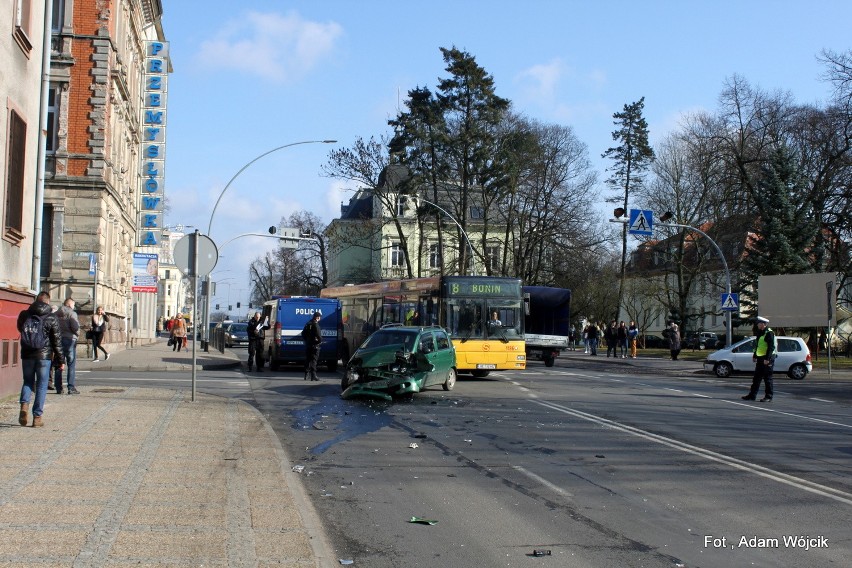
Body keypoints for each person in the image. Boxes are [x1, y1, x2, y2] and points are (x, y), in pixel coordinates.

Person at [18, 291, 65, 427]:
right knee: (42, 385)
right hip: (44, 356)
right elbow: (57, 341)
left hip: (27, 354)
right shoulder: (51, 317)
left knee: (27, 381)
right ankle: (37, 417)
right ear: (47, 302)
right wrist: (61, 360)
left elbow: (20, 329)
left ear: (36, 300)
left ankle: (24, 407)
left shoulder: (24, 314)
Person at [743, 316, 776, 402]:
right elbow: (758, 345)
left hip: (767, 358)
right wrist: (755, 355)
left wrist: (767, 358)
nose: (757, 325)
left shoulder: (769, 333)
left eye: (759, 323)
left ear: (763, 324)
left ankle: (769, 396)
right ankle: (752, 395)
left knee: (767, 378)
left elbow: (771, 347)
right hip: (760, 358)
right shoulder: (760, 332)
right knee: (756, 378)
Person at [54, 298, 80, 394]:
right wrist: (77, 334)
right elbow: (75, 327)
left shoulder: (56, 314)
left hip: (58, 340)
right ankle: (71, 387)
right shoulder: (72, 314)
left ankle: (58, 388)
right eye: (73, 304)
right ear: (69, 304)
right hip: (70, 340)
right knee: (71, 364)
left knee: (58, 364)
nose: (74, 306)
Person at [303, 311, 323, 381]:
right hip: (315, 345)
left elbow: (303, 334)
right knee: (314, 360)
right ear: (317, 317)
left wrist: (307, 340)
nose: (320, 318)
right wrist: (319, 341)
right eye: (319, 317)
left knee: (308, 359)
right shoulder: (316, 324)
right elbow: (319, 335)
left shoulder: (308, 324)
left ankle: (306, 374)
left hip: (308, 344)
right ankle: (313, 375)